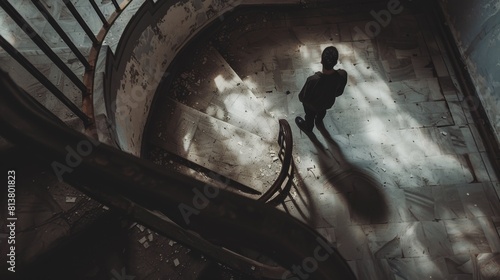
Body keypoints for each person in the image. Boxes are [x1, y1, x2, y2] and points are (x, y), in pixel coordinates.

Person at [296, 46, 348, 133]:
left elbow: (302, 98)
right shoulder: (342, 75)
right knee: (322, 111)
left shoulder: (312, 80)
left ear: (321, 61)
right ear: (335, 62)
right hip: (327, 103)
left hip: (311, 106)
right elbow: (339, 92)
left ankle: (309, 127)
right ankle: (319, 120)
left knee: (309, 116)